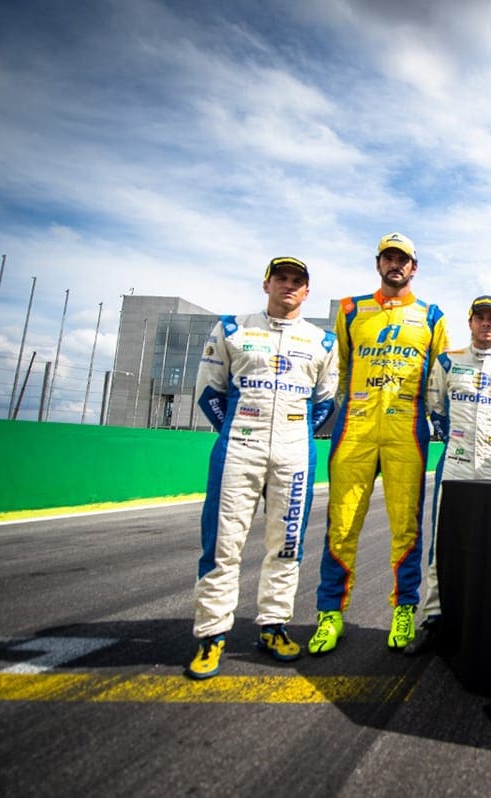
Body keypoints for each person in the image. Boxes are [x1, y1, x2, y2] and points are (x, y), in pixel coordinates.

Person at [185, 256, 338, 680]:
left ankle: (273, 626)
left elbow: (324, 402)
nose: (289, 286)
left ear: (307, 292)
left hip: (294, 453)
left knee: (287, 545)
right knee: (221, 546)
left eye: (297, 281)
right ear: (266, 283)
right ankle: (212, 635)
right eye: (281, 278)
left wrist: (292, 435)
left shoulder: (322, 342)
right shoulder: (232, 328)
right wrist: (240, 431)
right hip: (239, 448)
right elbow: (209, 392)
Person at [308, 232, 449, 655]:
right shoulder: (351, 310)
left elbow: (439, 377)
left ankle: (404, 609)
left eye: (403, 259)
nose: (396, 265)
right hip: (355, 429)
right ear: (378, 263)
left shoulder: (432, 315)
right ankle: (330, 614)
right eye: (388, 258)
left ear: (414, 267)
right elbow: (340, 370)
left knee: (406, 527)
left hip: (407, 430)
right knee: (342, 523)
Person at [403, 294, 491, 656]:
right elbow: (436, 409)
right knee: (442, 544)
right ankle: (433, 619)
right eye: (480, 317)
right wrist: (456, 442)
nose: (486, 323)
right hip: (456, 463)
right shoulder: (448, 362)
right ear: (471, 322)